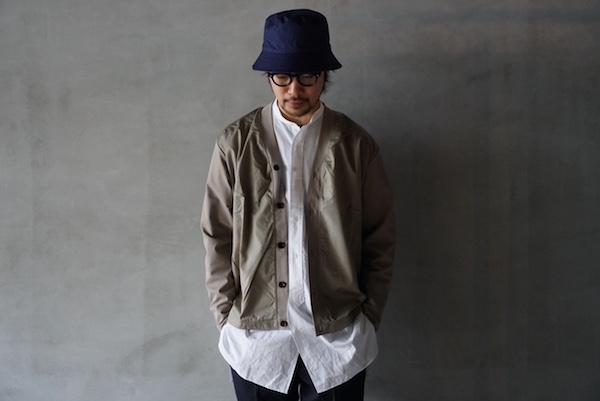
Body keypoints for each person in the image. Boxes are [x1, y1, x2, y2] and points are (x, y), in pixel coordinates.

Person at [201, 9, 395, 401]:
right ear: (269, 77)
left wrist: (368, 316)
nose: (294, 89)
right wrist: (225, 316)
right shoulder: (235, 144)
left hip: (338, 343)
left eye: (307, 76)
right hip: (256, 345)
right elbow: (217, 235)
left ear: (324, 75)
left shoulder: (357, 147)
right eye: (282, 77)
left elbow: (380, 238)